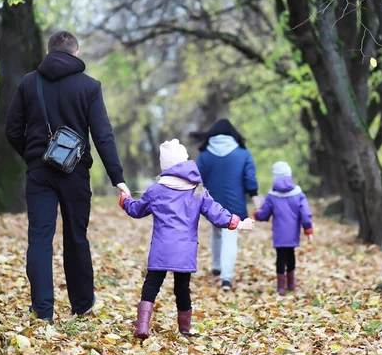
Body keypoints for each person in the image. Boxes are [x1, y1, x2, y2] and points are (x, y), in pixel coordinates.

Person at [5, 31, 130, 323]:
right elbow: (103, 136)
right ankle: (82, 305)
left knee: (39, 239)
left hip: (39, 174)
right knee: (76, 237)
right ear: (76, 54)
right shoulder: (89, 86)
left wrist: (36, 157)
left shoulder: (29, 82)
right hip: (76, 174)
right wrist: (117, 179)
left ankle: (43, 311)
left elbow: (12, 131)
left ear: (49, 53)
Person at [118, 139, 254, 339]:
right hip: (185, 250)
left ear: (165, 166)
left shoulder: (156, 190)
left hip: (161, 248)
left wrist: (125, 200)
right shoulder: (197, 191)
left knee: (151, 285)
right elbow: (216, 213)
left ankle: (143, 325)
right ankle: (185, 330)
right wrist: (237, 223)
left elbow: (136, 210)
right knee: (182, 288)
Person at [193, 119, 261, 291]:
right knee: (230, 238)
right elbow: (249, 178)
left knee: (216, 234)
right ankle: (226, 278)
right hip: (235, 203)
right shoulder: (242, 153)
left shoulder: (205, 154)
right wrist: (255, 197)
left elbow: (196, 179)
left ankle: (216, 268)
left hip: (211, 204)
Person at [253, 162, 314, 296]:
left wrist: (257, 212)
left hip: (279, 233)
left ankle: (281, 287)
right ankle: (291, 284)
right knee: (291, 254)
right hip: (292, 233)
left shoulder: (272, 195)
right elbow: (305, 214)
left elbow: (264, 214)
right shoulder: (298, 193)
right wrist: (308, 230)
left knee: (280, 257)